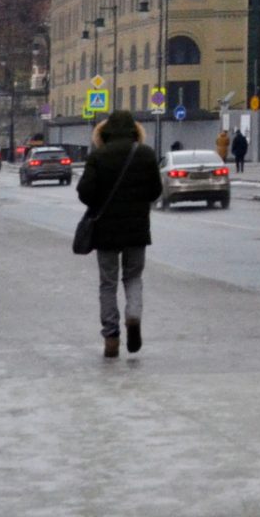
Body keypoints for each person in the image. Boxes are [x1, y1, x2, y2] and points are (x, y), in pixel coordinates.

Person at [77, 110, 164, 359]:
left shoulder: (98, 156)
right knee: (134, 277)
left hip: (105, 231)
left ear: (104, 133)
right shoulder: (145, 154)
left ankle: (111, 337)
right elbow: (155, 191)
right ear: (135, 132)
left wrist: (99, 201)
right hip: (137, 230)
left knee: (108, 283)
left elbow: (84, 192)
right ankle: (133, 315)